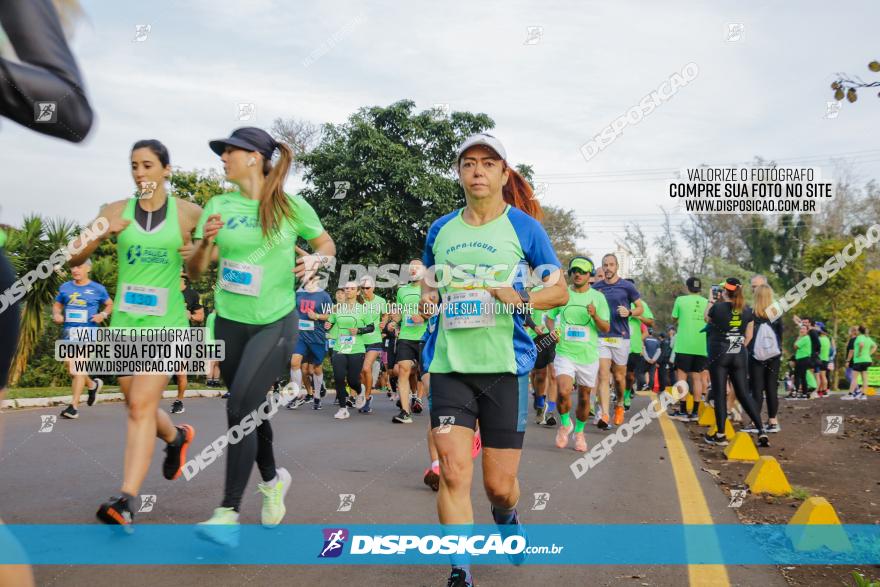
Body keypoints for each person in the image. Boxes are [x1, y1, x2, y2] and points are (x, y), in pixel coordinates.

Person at [421, 133, 567, 587]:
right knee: (452, 472)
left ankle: (506, 518)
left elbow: (559, 290)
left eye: (488, 163)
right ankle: (460, 571)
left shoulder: (524, 228)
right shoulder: (440, 229)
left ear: (504, 174)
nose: (477, 171)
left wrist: (521, 295)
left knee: (498, 487)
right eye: (468, 164)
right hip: (449, 367)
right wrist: (428, 297)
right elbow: (430, 280)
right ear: (460, 174)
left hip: (505, 369)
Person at [188, 127, 335, 542]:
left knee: (239, 408)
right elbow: (198, 269)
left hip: (275, 321)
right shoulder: (217, 204)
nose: (223, 158)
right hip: (231, 322)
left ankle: (227, 513)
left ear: (254, 157)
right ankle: (272, 482)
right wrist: (205, 245)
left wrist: (315, 264)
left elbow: (326, 244)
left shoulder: (290, 206)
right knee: (250, 411)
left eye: (229, 151)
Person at [68, 139, 201, 525]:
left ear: (166, 170)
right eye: (134, 166)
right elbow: (72, 255)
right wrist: (98, 233)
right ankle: (176, 438)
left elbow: (200, 266)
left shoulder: (188, 213)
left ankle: (125, 499)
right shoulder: (113, 210)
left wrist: (196, 255)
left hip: (167, 326)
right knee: (134, 403)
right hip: (125, 325)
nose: (140, 173)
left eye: (147, 165)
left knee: (142, 405)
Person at [546, 257, 610, 452]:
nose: (578, 274)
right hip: (565, 352)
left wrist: (594, 315)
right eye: (574, 270)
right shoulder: (563, 295)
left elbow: (606, 328)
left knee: (584, 398)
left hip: (588, 356)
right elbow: (550, 319)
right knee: (563, 390)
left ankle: (579, 432)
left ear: (589, 275)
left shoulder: (598, 298)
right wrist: (552, 331)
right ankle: (565, 424)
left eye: (582, 271)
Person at [704, 277, 769, 447]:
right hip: (739, 352)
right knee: (743, 393)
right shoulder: (747, 310)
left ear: (725, 291)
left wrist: (711, 300)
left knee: (719, 393)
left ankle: (720, 434)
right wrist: (737, 348)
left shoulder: (717, 307)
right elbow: (748, 336)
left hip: (718, 351)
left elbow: (706, 319)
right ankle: (761, 431)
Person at [52, 258, 111, 419]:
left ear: (88, 269)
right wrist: (57, 314)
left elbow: (109, 304)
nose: (75, 270)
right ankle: (92, 385)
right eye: (73, 267)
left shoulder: (98, 289)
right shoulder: (65, 287)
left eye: (79, 266)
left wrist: (103, 314)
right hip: (69, 333)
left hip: (88, 333)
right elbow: (57, 305)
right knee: (71, 369)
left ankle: (73, 407)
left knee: (78, 367)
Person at [592, 254, 644, 429]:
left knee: (619, 377)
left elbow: (640, 308)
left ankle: (620, 404)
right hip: (601, 336)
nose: (608, 268)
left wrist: (629, 312)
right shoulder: (596, 287)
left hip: (621, 336)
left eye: (611, 264)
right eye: (605, 265)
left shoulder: (627, 286)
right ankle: (605, 414)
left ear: (617, 266)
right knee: (603, 375)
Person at [390, 260, 428, 423]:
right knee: (403, 369)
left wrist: (424, 316)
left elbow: (439, 311)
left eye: (416, 267)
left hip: (425, 336)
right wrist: (394, 321)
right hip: (406, 336)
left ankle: (435, 407)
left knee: (425, 374)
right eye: (410, 267)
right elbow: (399, 313)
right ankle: (405, 412)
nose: (413, 269)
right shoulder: (402, 291)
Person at [287, 275, 332, 410]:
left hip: (316, 336)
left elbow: (331, 315)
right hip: (300, 335)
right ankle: (296, 395)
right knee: (295, 362)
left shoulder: (324, 296)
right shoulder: (298, 293)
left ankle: (317, 396)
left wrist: (317, 316)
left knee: (316, 368)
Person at [328, 282, 371, 419]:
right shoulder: (337, 308)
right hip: (339, 347)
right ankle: (342, 408)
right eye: (347, 288)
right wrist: (328, 324)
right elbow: (330, 322)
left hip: (356, 348)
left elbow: (371, 327)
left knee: (353, 380)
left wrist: (359, 330)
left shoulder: (363, 309)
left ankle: (360, 390)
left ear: (358, 292)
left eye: (352, 288)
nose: (348, 291)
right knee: (339, 378)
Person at [745, 284, 783, 433]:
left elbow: (747, 335)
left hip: (756, 356)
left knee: (757, 389)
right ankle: (773, 421)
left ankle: (756, 422)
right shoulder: (776, 314)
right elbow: (780, 335)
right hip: (774, 355)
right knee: (772, 388)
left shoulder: (751, 313)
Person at [670, 277, 709, 422]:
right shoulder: (707, 302)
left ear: (687, 287)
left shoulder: (680, 300)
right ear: (700, 289)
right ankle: (695, 413)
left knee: (682, 378)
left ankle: (683, 411)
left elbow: (674, 318)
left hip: (684, 345)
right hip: (701, 346)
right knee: (697, 378)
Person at [171, 273, 205, 414]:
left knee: (180, 373)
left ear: (183, 277)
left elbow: (200, 316)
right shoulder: (166, 290)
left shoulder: (192, 294)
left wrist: (190, 315)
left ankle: (179, 401)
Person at [355, 275, 388, 413]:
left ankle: (367, 398)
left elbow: (385, 314)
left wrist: (383, 323)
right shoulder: (358, 301)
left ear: (373, 287)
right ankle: (363, 394)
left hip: (374, 339)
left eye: (367, 288)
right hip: (359, 340)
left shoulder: (381, 301)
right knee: (360, 373)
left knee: (366, 368)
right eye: (362, 288)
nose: (364, 290)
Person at [625, 288, 654, 403]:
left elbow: (650, 322)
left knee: (630, 375)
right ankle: (620, 398)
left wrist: (638, 316)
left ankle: (626, 394)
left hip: (633, 347)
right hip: (616, 342)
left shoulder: (640, 304)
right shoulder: (615, 300)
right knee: (618, 374)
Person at [843, 326, 877, 400]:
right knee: (865, 379)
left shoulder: (860, 337)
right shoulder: (868, 338)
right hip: (867, 360)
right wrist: (868, 354)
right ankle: (863, 395)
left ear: (859, 331)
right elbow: (875, 346)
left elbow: (861, 344)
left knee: (854, 378)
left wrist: (860, 352)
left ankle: (850, 395)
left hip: (859, 360)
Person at [793, 323, 812, 398]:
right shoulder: (804, 338)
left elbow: (795, 346)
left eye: (804, 329)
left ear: (807, 331)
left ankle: (797, 392)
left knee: (798, 376)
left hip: (803, 358)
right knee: (802, 376)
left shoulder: (805, 338)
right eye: (801, 328)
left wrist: (798, 338)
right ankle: (804, 393)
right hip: (802, 358)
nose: (802, 330)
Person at [642, 328, 661, 392]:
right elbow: (658, 351)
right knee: (652, 376)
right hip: (653, 362)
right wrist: (653, 360)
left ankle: (644, 387)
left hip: (645, 361)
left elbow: (643, 350)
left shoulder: (644, 340)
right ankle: (650, 388)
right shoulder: (657, 341)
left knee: (642, 374)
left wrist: (648, 359)